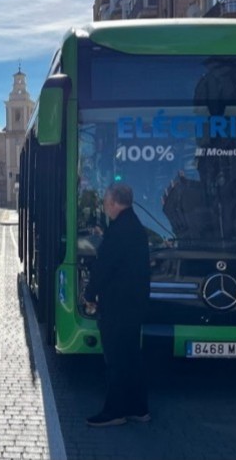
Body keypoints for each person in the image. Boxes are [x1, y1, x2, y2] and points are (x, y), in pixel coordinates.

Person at [82, 183, 151, 427]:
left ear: (113, 203)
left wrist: (89, 294)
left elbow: (104, 267)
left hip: (117, 306)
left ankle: (115, 411)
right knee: (131, 357)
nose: (104, 207)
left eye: (105, 202)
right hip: (134, 304)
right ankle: (138, 408)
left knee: (116, 360)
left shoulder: (119, 230)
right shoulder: (135, 226)